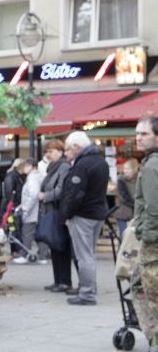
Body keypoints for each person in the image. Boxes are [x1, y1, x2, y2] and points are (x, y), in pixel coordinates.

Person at [59, 131, 110, 306]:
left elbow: (75, 194)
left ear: (76, 146)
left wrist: (66, 214)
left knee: (84, 256)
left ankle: (87, 293)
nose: (66, 152)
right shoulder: (101, 162)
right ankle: (89, 287)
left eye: (68, 148)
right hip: (97, 213)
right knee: (89, 254)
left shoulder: (82, 165)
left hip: (83, 215)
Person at [132, 116, 158, 352]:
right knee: (139, 283)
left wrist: (147, 235)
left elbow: (153, 207)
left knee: (149, 291)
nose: (138, 138)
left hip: (153, 241)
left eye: (144, 134)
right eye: (137, 133)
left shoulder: (151, 166)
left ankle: (156, 345)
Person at [38, 140, 73, 293]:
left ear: (60, 151)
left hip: (59, 212)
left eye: (51, 151)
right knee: (54, 245)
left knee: (61, 246)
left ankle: (64, 281)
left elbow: (61, 190)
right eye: (46, 152)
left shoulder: (64, 166)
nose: (48, 154)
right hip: (50, 211)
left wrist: (45, 196)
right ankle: (58, 280)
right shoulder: (52, 167)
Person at [14, 158, 49, 265]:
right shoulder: (37, 176)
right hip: (38, 210)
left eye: (26, 166)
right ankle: (43, 255)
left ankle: (25, 254)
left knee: (27, 233)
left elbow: (33, 195)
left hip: (32, 211)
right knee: (40, 233)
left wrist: (25, 208)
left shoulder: (32, 178)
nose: (24, 168)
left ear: (32, 167)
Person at [1, 158, 27, 256]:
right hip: (12, 206)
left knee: (15, 227)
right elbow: (9, 192)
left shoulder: (18, 176)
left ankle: (16, 249)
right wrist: (13, 204)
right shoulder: (12, 176)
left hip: (15, 205)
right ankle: (16, 250)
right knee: (13, 227)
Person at [114, 158, 139, 238]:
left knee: (134, 237)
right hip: (123, 212)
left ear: (134, 170)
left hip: (136, 213)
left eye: (128, 169)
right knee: (123, 236)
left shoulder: (139, 179)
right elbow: (124, 197)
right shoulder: (120, 179)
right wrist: (136, 203)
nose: (125, 171)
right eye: (124, 168)